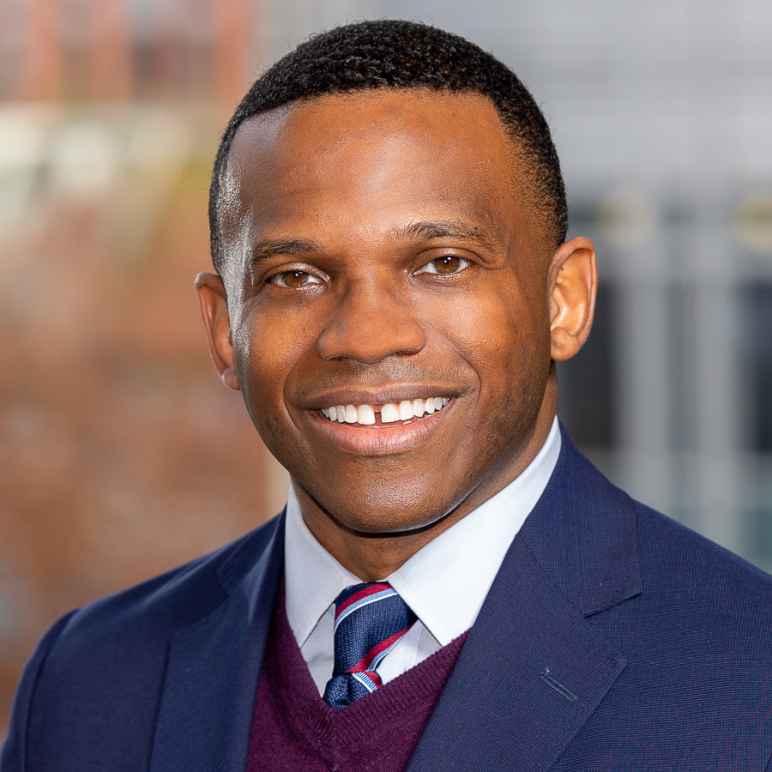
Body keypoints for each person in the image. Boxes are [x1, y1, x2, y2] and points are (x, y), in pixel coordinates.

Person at [3, 19, 771, 772]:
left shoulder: (751, 683)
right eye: (294, 277)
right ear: (222, 327)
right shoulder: (86, 685)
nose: (367, 336)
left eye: (442, 262)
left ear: (563, 300)